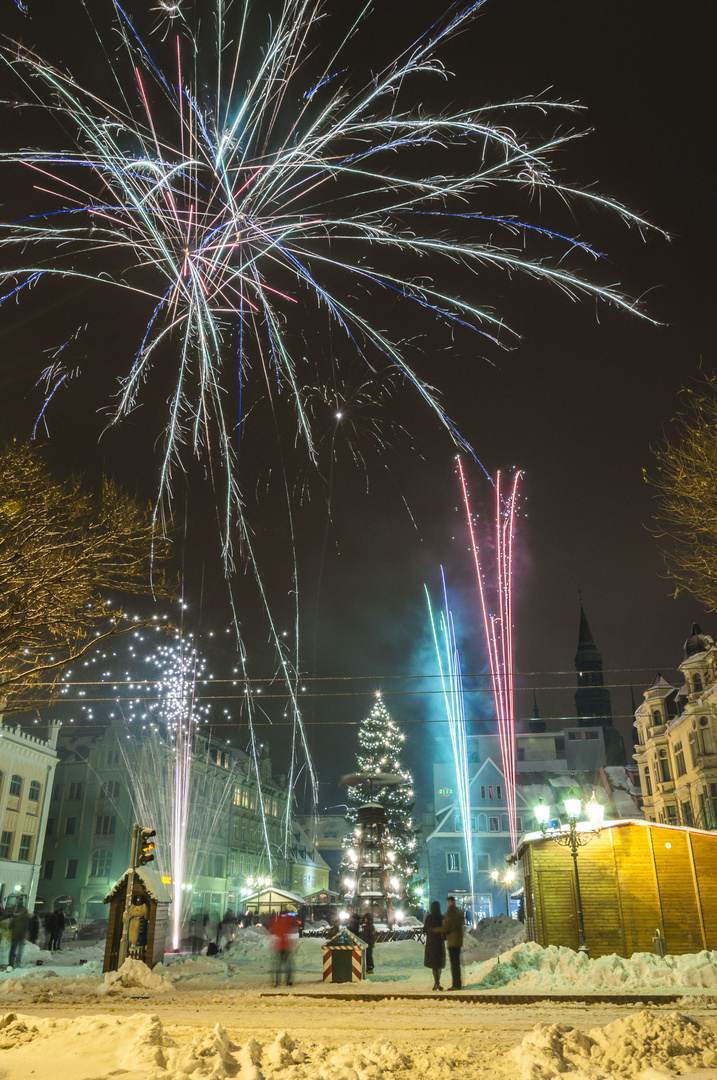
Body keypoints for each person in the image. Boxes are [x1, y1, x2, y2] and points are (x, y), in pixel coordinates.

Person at [268, 906, 299, 987]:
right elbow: (293, 924)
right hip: (285, 946)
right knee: (288, 965)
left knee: (278, 965)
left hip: (279, 947)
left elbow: (274, 929)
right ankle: (288, 981)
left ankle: (276, 982)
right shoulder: (286, 922)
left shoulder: (278, 923)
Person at [442, 896, 464, 990]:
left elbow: (448, 926)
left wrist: (441, 928)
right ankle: (457, 983)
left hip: (452, 940)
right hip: (457, 940)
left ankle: (456, 985)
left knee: (454, 964)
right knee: (456, 963)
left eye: (448, 902)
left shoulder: (451, 913)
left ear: (450, 902)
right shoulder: (459, 912)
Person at [423, 901, 446, 990]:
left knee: (434, 965)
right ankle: (437, 982)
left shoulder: (429, 918)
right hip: (439, 943)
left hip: (431, 943)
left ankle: (436, 983)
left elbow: (424, 930)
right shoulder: (441, 917)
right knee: (438, 964)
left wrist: (431, 930)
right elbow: (445, 930)